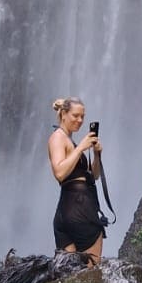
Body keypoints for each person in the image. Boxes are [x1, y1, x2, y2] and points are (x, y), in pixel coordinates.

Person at [48, 96, 106, 265]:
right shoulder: (58, 137)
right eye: (75, 115)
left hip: (65, 212)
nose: (80, 120)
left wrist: (96, 153)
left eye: (83, 116)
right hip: (80, 210)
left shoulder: (69, 141)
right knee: (91, 272)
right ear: (63, 114)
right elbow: (59, 172)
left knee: (69, 276)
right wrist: (81, 147)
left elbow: (93, 176)